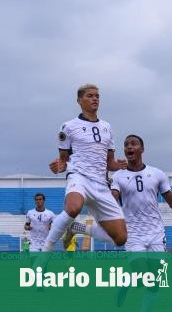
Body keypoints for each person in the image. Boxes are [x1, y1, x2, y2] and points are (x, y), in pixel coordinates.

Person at [69, 135, 172, 311]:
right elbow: (113, 198)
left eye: (133, 144)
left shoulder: (157, 174)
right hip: (133, 234)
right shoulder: (118, 176)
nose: (129, 147)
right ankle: (124, 285)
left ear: (142, 149)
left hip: (156, 233)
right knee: (142, 277)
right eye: (126, 145)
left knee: (155, 282)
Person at [45, 83, 128, 252]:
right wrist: (58, 167)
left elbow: (109, 163)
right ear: (79, 101)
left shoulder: (107, 127)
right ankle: (45, 252)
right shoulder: (68, 126)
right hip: (79, 177)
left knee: (120, 239)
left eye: (97, 96)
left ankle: (77, 228)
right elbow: (63, 161)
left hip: (101, 184)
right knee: (73, 208)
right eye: (90, 96)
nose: (95, 99)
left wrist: (119, 165)